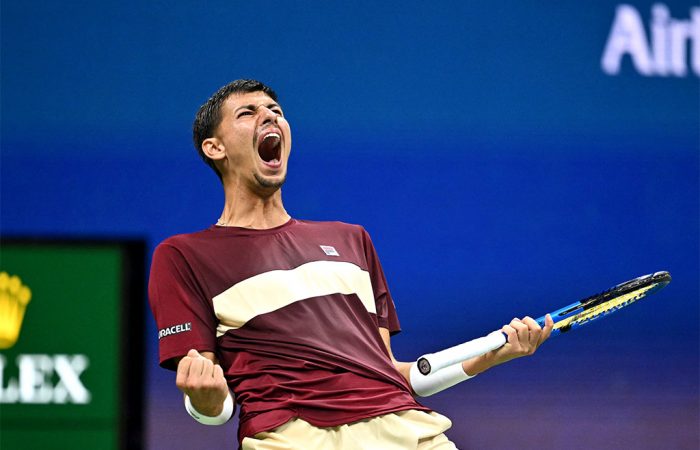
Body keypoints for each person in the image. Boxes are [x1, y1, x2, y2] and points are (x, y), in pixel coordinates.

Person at [148, 79, 554, 449]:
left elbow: (393, 374)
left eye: (276, 110)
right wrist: (203, 397)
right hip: (294, 437)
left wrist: (493, 356)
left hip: (407, 430)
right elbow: (212, 404)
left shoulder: (350, 239)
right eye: (247, 112)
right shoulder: (184, 255)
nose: (270, 115)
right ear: (214, 147)